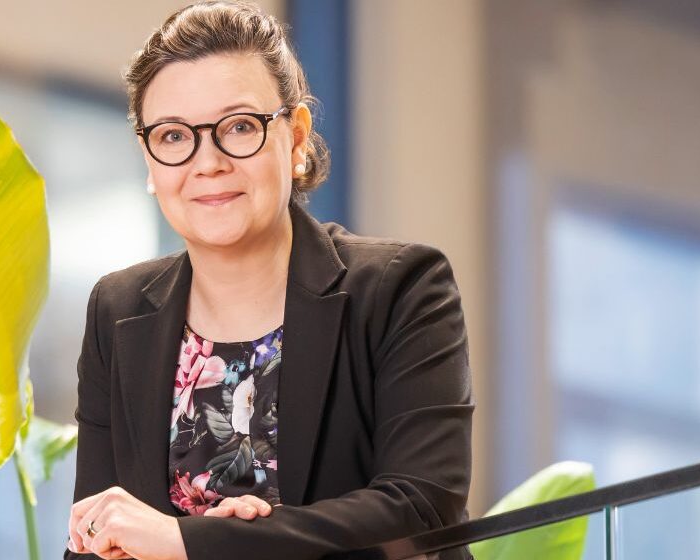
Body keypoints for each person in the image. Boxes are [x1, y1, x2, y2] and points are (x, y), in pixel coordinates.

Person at [64, 2, 474, 559]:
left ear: (297, 137)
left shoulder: (400, 287)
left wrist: (195, 540)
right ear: (149, 156)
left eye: (238, 127)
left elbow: (421, 508)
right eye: (173, 136)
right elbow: (95, 535)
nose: (207, 163)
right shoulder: (117, 310)